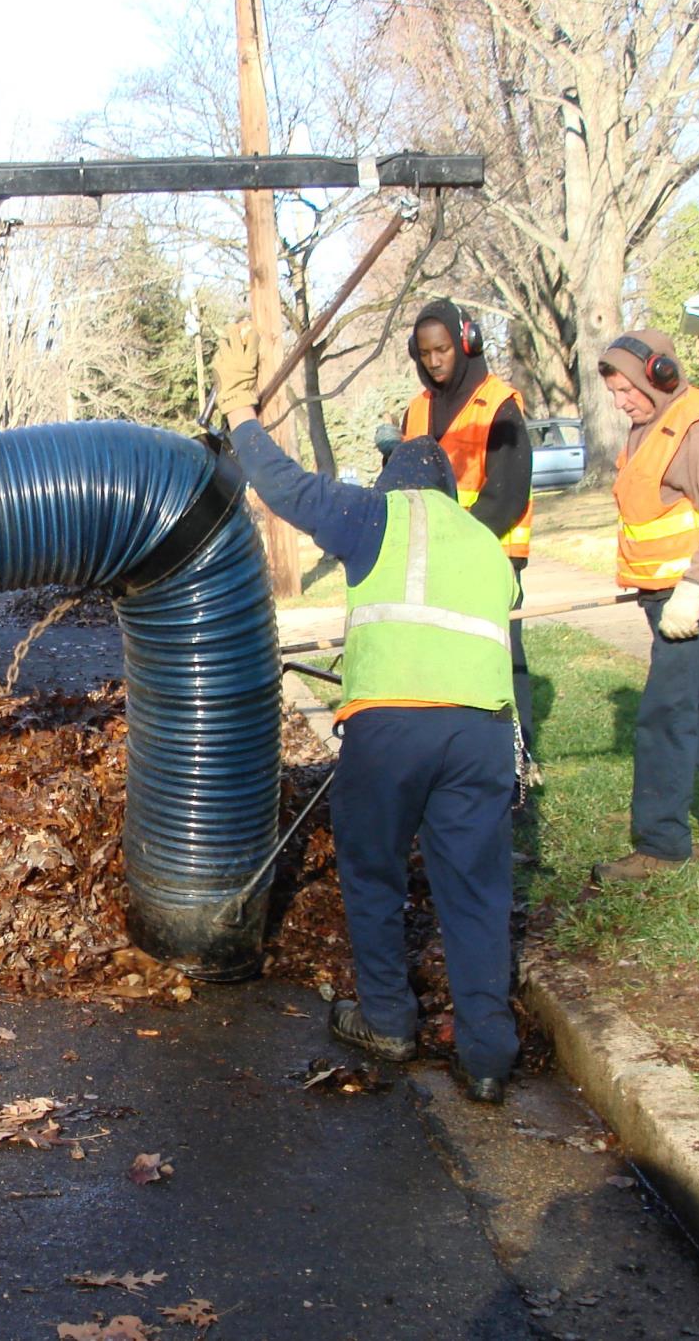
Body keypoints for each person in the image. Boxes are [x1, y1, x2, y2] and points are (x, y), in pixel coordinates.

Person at [213, 322, 520, 1103]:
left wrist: (237, 407)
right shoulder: (487, 544)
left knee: (375, 870)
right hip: (482, 733)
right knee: (476, 892)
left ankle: (388, 1017)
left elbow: (279, 484)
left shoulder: (373, 517)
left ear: (392, 485)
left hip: (391, 731)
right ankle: (487, 1056)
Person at [590, 329, 699, 882]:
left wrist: (692, 591)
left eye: (626, 389)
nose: (621, 402)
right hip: (667, 595)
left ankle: (661, 845)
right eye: (615, 392)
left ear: (659, 374)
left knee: (664, 712)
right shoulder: (649, 428)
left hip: (698, 595)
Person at [403, 300, 537, 767]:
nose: (435, 361)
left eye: (442, 349)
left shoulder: (499, 405)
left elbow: (507, 494)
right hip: (433, 560)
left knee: (499, 660)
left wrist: (457, 543)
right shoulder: (417, 410)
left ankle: (518, 762)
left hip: (491, 555)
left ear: (466, 344)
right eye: (425, 353)